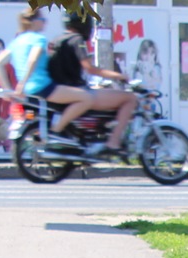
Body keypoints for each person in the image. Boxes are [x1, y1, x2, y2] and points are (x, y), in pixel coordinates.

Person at [43, 14, 137, 154]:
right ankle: (114, 142)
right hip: (78, 91)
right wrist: (119, 75)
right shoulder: (77, 40)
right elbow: (89, 68)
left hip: (61, 90)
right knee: (130, 98)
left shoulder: (56, 40)